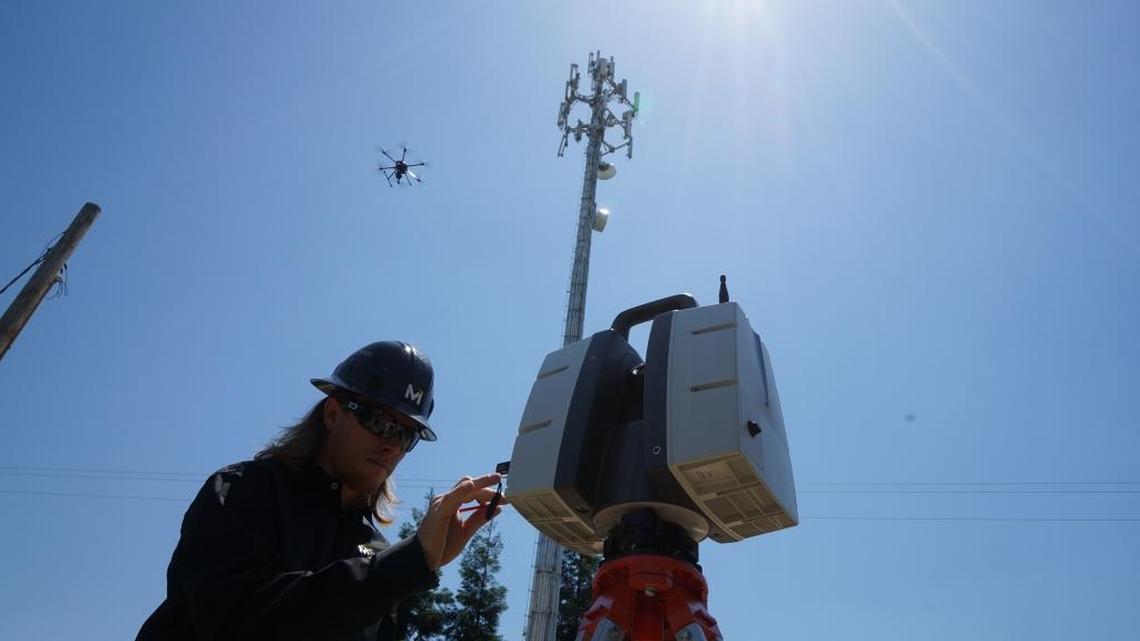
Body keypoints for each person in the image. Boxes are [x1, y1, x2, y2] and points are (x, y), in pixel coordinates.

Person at [136, 341, 503, 641]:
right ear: (332, 413)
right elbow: (241, 624)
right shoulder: (245, 492)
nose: (392, 444)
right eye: (381, 421)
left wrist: (420, 562)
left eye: (406, 434)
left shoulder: (377, 552)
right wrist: (408, 562)